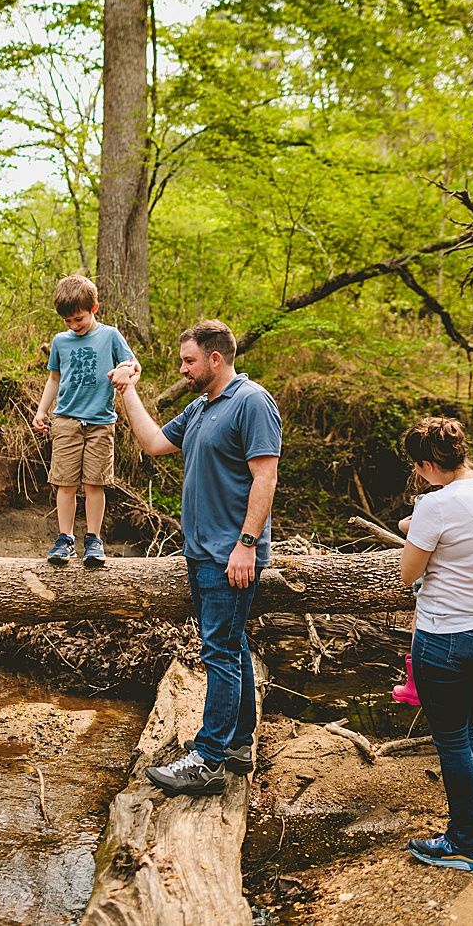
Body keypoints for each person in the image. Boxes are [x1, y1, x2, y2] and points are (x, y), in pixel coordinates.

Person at [111, 320, 281, 795]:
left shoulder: (251, 402)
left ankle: (206, 761)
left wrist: (246, 545)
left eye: (189, 361)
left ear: (215, 359)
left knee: (219, 652)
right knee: (232, 645)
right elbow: (152, 445)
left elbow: (265, 478)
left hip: (231, 554)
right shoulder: (201, 407)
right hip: (202, 552)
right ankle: (239, 744)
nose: (183, 369)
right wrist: (128, 392)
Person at [395, 417, 473, 871]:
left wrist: (417, 528)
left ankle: (464, 844)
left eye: (418, 468)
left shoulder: (434, 506)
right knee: (466, 732)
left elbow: (408, 573)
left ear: (426, 464)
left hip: (447, 638)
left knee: (453, 739)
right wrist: (420, 524)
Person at [32, 275, 135, 568]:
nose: (74, 326)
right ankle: (65, 539)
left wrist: (125, 371)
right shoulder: (60, 341)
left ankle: (93, 539)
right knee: (65, 483)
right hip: (66, 420)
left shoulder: (111, 335)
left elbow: (131, 363)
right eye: (67, 321)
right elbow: (54, 378)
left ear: (94, 308)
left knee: (94, 483)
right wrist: (42, 410)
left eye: (79, 319)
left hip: (101, 422)